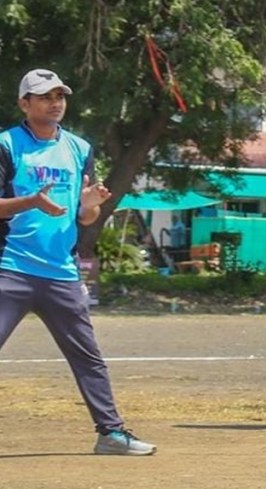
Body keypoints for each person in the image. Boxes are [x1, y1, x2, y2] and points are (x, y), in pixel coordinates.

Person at [0, 69, 155, 456]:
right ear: (24, 104)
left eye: (60, 96)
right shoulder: (6, 145)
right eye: (44, 97)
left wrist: (88, 206)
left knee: (88, 356)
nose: (55, 103)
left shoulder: (80, 148)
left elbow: (85, 218)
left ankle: (111, 434)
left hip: (61, 274)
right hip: (10, 268)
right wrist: (31, 201)